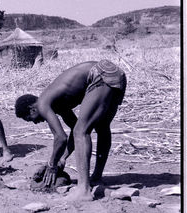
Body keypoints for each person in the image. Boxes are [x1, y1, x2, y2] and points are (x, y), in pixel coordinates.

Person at [14, 59, 127, 201]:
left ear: (32, 109)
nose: (36, 123)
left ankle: (83, 189)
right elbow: (74, 131)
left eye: (30, 119)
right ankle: (96, 178)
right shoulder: (59, 103)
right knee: (102, 128)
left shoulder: (43, 103)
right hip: (115, 74)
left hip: (99, 75)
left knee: (82, 131)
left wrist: (52, 165)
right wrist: (62, 158)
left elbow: (61, 138)